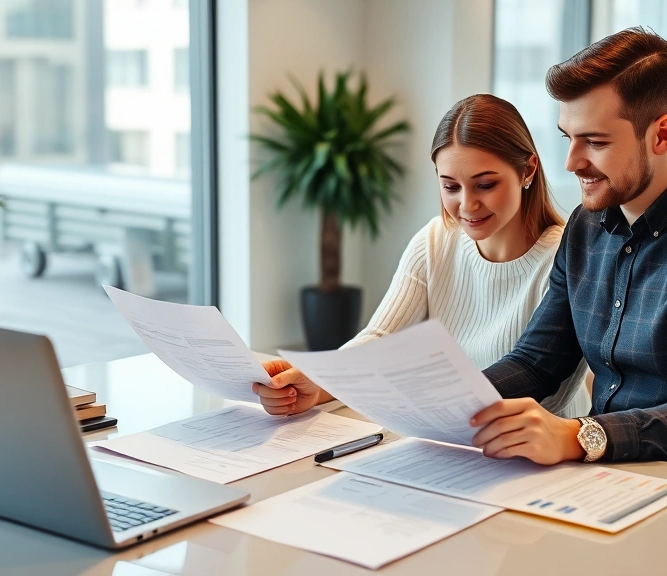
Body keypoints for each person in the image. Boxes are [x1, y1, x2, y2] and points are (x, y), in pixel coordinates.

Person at [468, 28, 667, 479]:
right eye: (568, 138)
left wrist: (578, 436)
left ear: (662, 134)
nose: (572, 162)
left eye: (595, 142)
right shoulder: (586, 227)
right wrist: (451, 403)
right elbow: (537, 362)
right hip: (605, 480)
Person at [253, 94, 591, 420]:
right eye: (451, 187)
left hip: (533, 447)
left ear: (528, 170)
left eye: (485, 185)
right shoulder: (436, 241)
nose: (467, 205)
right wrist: (317, 382)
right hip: (451, 433)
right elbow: (380, 339)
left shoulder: (566, 257)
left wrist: (436, 403)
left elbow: (551, 394)